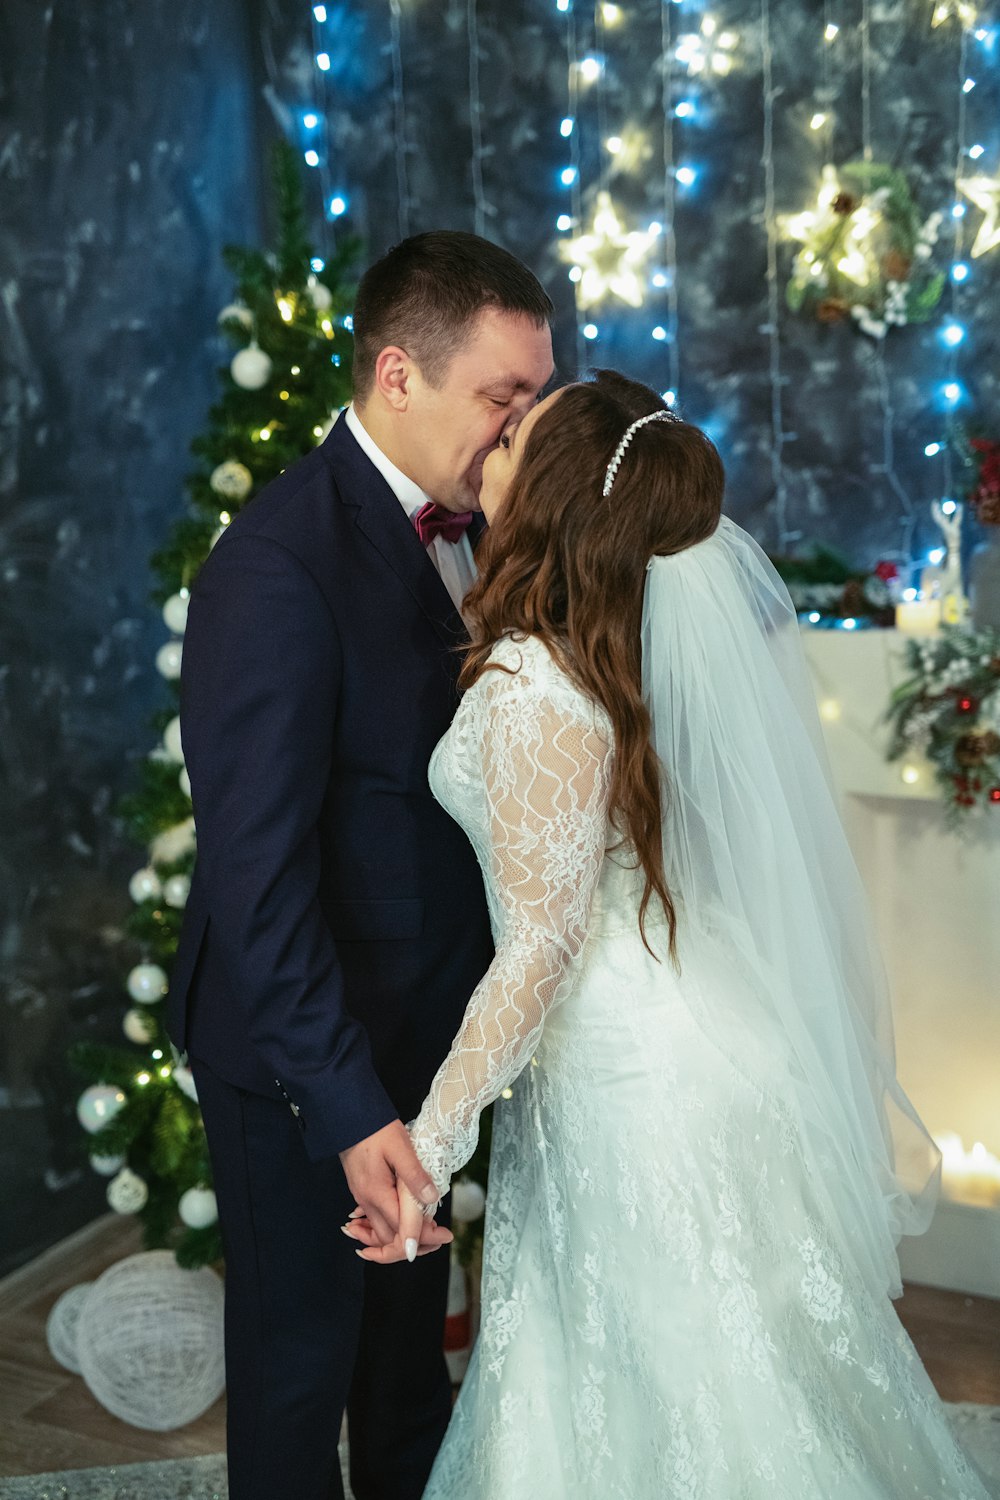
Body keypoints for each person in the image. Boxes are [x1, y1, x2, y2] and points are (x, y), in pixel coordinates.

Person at [346, 370, 996, 1498]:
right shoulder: (604, 645)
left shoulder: (532, 680)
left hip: (632, 1080)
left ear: (551, 493)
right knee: (699, 1372)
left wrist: (430, 1148)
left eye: (521, 437)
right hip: (676, 1035)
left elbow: (542, 944)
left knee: (700, 1385)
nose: (498, 437)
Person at [166, 231, 555, 1500]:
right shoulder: (275, 568)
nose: (524, 424)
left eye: (537, 393)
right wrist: (348, 1109)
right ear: (398, 375)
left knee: (405, 1377)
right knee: (297, 1382)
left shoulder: (488, 526)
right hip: (305, 1068)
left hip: (424, 1045)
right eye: (503, 395)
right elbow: (256, 884)